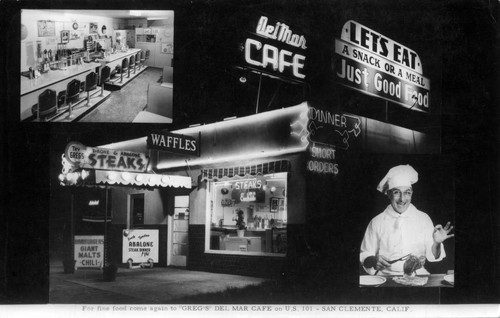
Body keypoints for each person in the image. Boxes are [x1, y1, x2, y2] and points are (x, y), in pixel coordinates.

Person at [360, 164, 454, 276]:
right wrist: (373, 260)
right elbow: (365, 254)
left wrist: (437, 243)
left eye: (407, 192)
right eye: (396, 192)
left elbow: (433, 255)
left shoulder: (423, 218)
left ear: (412, 194)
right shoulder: (376, 221)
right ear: (389, 194)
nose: (402, 199)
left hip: (418, 275)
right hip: (385, 276)